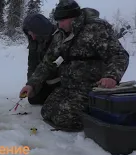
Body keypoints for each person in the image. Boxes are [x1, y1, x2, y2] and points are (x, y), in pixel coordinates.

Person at [19, 0, 129, 132]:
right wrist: (31, 84)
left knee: (65, 119)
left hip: (91, 88)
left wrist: (111, 77)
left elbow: (119, 55)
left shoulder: (96, 28)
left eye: (62, 21)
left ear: (73, 17)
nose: (59, 25)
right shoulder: (61, 34)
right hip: (68, 87)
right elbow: (48, 63)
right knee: (47, 111)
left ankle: (97, 113)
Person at [22, 13, 60, 105]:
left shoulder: (59, 37)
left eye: (34, 34)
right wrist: (30, 85)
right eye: (30, 35)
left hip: (61, 80)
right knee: (33, 99)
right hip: (44, 78)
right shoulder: (34, 41)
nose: (33, 37)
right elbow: (32, 65)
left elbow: (50, 63)